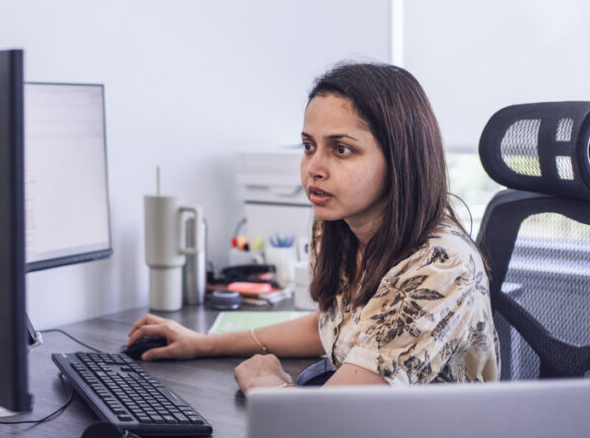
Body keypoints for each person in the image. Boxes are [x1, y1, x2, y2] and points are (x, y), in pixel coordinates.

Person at [126, 61, 500, 394]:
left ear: (400, 158)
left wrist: (267, 384)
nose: (313, 168)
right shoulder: (339, 227)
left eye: (341, 149)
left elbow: (328, 421)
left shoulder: (442, 266)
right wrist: (203, 343)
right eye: (308, 146)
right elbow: (329, 325)